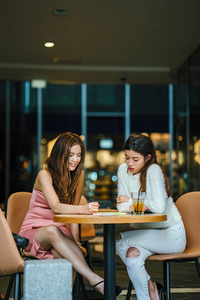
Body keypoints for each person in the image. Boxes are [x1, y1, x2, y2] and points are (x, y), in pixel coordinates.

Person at [19, 132, 106, 294]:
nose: (75, 159)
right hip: (35, 232)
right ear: (60, 154)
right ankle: (94, 279)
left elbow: (72, 216)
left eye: (79, 155)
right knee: (53, 231)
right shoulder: (44, 175)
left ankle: (64, 295)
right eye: (70, 155)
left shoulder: (79, 175)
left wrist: (76, 243)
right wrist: (84, 209)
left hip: (61, 233)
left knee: (69, 257)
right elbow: (56, 207)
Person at [116, 133, 186, 300]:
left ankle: (151, 291)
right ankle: (151, 291)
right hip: (147, 234)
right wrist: (136, 204)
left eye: (135, 159)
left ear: (148, 158)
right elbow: (120, 205)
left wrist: (131, 201)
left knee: (120, 240)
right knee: (131, 256)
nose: (130, 163)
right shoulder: (122, 170)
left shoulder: (153, 170)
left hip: (171, 234)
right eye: (127, 158)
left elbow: (158, 207)